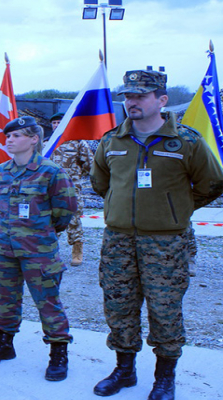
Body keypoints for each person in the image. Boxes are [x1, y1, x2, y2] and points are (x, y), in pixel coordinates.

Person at [90, 69, 223, 399]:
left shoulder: (187, 141)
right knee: (118, 306)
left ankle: (165, 376)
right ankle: (124, 369)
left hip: (166, 243)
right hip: (118, 240)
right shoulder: (112, 141)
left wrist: (175, 208)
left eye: (140, 96)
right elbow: (100, 182)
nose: (131, 101)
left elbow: (213, 184)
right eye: (128, 95)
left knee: (164, 309)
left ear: (161, 100)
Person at [0, 116, 77, 382]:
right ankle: (4, 345)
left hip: (38, 251)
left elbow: (65, 211)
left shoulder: (51, 171)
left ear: (34, 139)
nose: (10, 139)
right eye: (8, 136)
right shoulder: (2, 171)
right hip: (4, 249)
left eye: (17, 135)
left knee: (48, 302)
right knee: (6, 300)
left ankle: (58, 354)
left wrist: (40, 233)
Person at [48, 112, 94, 266]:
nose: (56, 125)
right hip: (50, 190)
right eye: (53, 123)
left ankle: (77, 250)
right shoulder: (47, 143)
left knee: (73, 219)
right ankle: (50, 250)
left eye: (59, 122)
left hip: (71, 189)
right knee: (49, 220)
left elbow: (90, 165)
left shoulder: (77, 143)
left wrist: (76, 176)